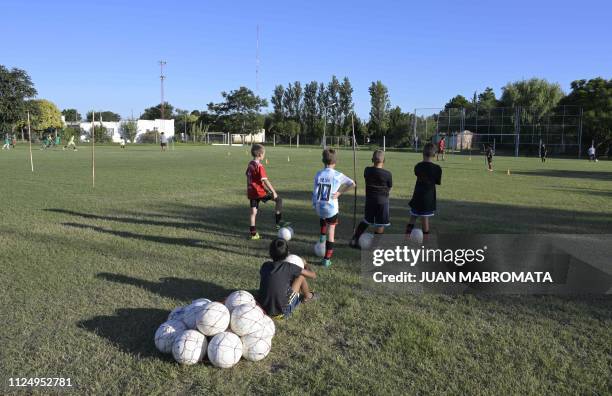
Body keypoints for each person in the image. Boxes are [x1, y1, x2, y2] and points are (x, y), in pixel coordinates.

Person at [312, 148, 356, 267]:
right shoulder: (337, 175)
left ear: (323, 161)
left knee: (322, 215)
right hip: (331, 209)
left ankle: (322, 237)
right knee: (331, 232)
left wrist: (314, 204)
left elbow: (315, 192)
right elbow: (353, 184)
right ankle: (326, 260)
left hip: (319, 207)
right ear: (335, 162)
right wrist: (340, 193)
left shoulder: (318, 174)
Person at [258, 239, 318, 319]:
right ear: (287, 253)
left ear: (270, 253)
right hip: (282, 312)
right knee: (301, 277)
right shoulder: (289, 267)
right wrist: (305, 264)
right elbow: (313, 275)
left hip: (263, 308)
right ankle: (308, 296)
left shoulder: (265, 266)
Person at [350, 149, 392, 248]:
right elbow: (389, 187)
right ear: (384, 161)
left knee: (366, 220)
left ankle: (354, 239)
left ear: (372, 160)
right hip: (383, 202)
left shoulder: (367, 170)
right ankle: (374, 247)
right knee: (380, 224)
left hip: (370, 200)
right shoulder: (387, 174)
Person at [246, 144, 289, 240]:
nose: (264, 155)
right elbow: (265, 180)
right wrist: (273, 191)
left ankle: (253, 234)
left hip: (251, 192)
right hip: (259, 192)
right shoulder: (259, 166)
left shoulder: (250, 164)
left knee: (253, 212)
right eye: (264, 153)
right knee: (279, 200)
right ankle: (278, 223)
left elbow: (251, 177)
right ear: (260, 154)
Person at [406, 143, 442, 239]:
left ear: (423, 153)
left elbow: (417, 173)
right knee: (425, 218)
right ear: (434, 155)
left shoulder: (418, 166)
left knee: (413, 217)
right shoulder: (437, 169)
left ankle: (406, 237)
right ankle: (426, 241)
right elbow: (437, 181)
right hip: (427, 198)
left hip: (417, 196)